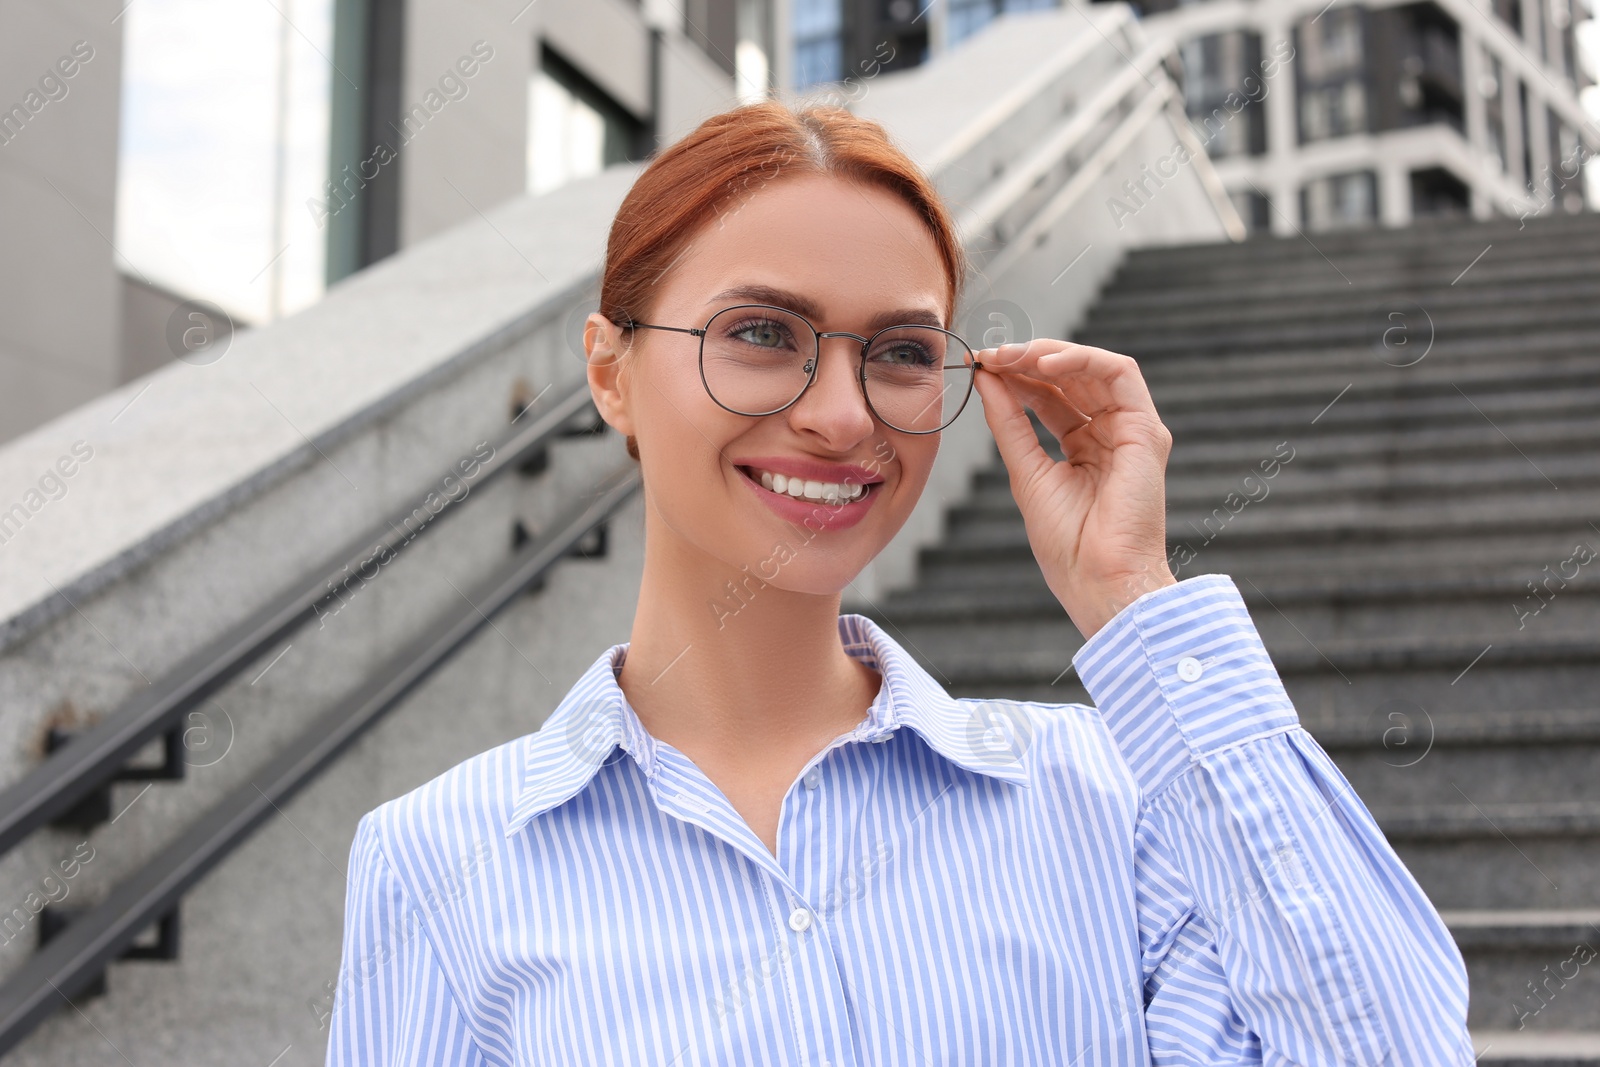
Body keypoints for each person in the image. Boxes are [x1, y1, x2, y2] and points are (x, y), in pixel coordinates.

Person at [326, 99, 1473, 1065]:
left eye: (902, 352)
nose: (839, 415)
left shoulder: (1112, 798)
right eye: (762, 332)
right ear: (611, 373)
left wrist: (1131, 596)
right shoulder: (435, 858)